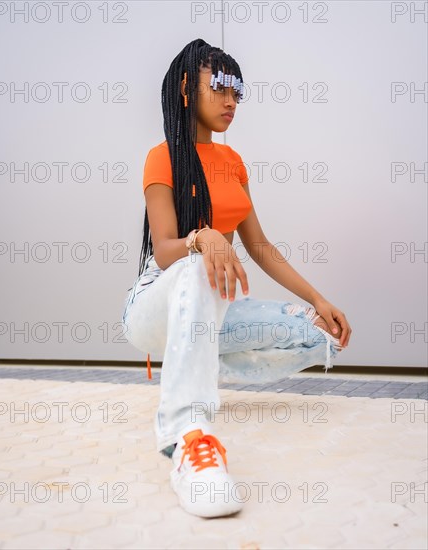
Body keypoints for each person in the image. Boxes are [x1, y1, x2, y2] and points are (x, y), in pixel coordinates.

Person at [122, 38, 352, 518]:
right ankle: (187, 439)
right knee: (196, 266)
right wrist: (202, 238)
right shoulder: (161, 157)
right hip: (156, 303)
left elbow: (261, 247)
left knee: (316, 332)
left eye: (238, 91)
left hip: (210, 313)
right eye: (220, 87)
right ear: (187, 89)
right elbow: (164, 249)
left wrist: (319, 298)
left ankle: (195, 362)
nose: (232, 101)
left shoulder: (233, 163)